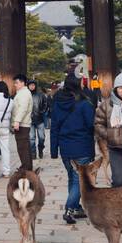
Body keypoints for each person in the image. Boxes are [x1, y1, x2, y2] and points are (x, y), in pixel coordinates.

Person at [50, 74, 95, 224]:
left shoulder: (58, 103)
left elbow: (54, 127)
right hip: (81, 146)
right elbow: (90, 125)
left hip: (65, 147)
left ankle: (76, 207)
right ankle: (69, 208)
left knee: (72, 176)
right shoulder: (84, 104)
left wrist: (53, 150)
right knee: (78, 180)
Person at [10, 73, 33, 172]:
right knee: (25, 147)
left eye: (17, 82)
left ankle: (25, 168)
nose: (15, 84)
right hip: (23, 124)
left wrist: (17, 121)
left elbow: (22, 108)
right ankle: (27, 167)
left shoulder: (24, 93)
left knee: (22, 147)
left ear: (23, 83)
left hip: (22, 124)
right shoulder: (23, 92)